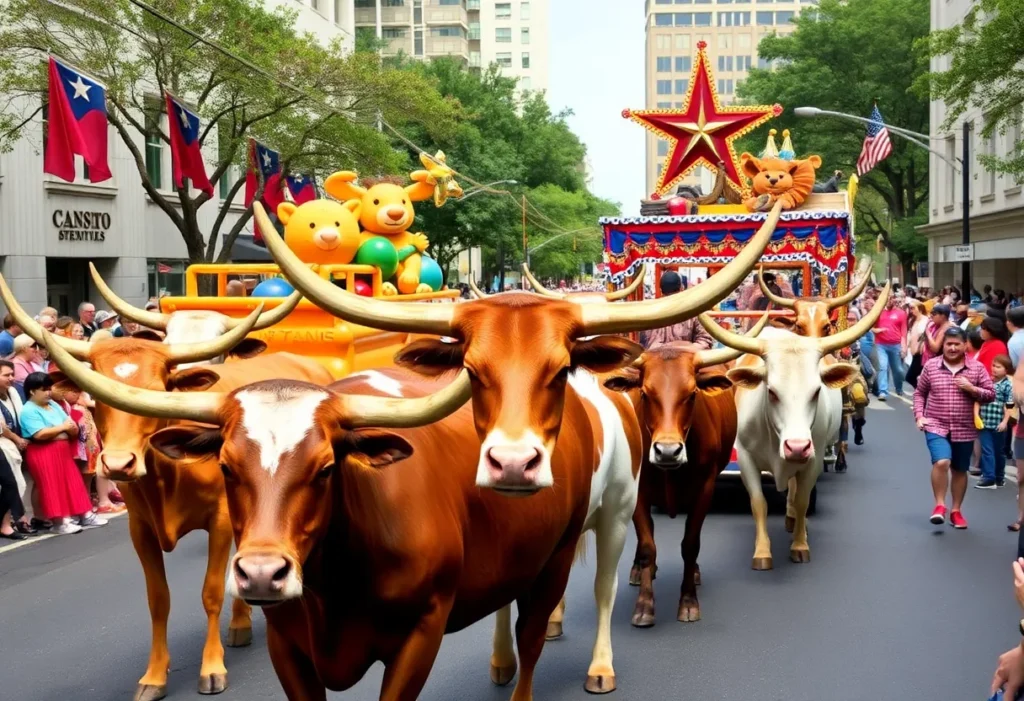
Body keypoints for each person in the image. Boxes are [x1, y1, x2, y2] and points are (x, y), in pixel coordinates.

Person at [914, 327, 995, 529]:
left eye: (956, 344)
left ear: (965, 345)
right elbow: (919, 393)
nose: (952, 348)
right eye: (948, 344)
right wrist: (919, 416)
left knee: (960, 469)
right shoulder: (932, 366)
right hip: (935, 424)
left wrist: (971, 388)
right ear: (943, 345)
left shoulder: (976, 368)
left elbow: (990, 394)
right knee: (941, 461)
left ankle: (956, 511)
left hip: (964, 427)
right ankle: (940, 506)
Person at [18, 372, 106, 535]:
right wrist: (62, 428)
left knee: (73, 482)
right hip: (43, 452)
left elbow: (71, 424)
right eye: (44, 389)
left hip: (62, 450)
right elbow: (40, 434)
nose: (49, 392)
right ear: (32, 391)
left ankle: (84, 513)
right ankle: (60, 521)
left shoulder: (53, 404)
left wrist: (63, 430)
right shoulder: (28, 410)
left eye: (49, 388)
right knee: (51, 485)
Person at [638, 271, 714, 349]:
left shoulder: (649, 312)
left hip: (655, 358)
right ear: (682, 288)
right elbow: (705, 341)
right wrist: (686, 350)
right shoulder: (693, 311)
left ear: (661, 291)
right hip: (683, 359)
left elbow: (642, 345)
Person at [0, 360, 32, 540]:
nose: (11, 378)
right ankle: (7, 524)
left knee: (14, 485)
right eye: (6, 375)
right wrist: (17, 439)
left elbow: (20, 416)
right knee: (12, 484)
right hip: (3, 444)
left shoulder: (12, 392)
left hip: (14, 443)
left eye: (12, 374)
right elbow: (0, 426)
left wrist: (24, 438)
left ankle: (13, 521)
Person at [976, 354, 1014, 490]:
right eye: (993, 366)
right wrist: (977, 416)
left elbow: (1009, 405)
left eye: (998, 367)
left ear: (1006, 370)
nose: (994, 369)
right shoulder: (987, 382)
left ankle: (999, 477)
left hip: (999, 424)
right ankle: (988, 477)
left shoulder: (1007, 385)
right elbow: (978, 400)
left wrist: (1005, 422)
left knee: (999, 452)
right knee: (987, 450)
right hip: (985, 422)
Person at [872, 292, 908, 401]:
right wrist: (876, 330)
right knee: (883, 367)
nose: (889, 300)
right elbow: (871, 327)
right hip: (880, 345)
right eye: (887, 299)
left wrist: (904, 346)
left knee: (898, 369)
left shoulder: (901, 313)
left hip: (896, 345)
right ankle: (883, 391)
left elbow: (904, 331)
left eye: (891, 298)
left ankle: (899, 387)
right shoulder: (877, 312)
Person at [905, 300, 929, 388]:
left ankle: (922, 393)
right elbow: (909, 335)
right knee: (915, 377)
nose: (911, 310)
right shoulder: (911, 320)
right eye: (910, 308)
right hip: (913, 353)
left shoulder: (926, 320)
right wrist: (905, 347)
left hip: (922, 353)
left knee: (910, 377)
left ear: (920, 308)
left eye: (913, 308)